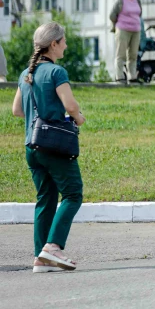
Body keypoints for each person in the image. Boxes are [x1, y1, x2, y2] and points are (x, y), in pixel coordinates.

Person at [11, 22, 86, 273]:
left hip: (32, 147)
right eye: (63, 41)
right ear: (53, 44)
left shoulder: (25, 74)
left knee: (45, 199)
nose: (65, 45)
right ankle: (53, 247)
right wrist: (78, 118)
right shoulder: (56, 72)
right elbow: (71, 105)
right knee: (73, 193)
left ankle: (40, 258)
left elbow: (16, 111)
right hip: (55, 146)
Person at [109, 0, 143, 83]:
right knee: (121, 54)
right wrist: (119, 23)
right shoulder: (120, 0)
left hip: (136, 30)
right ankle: (119, 76)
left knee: (133, 54)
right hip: (123, 29)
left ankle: (132, 76)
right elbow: (112, 15)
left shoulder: (137, 0)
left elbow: (139, 13)